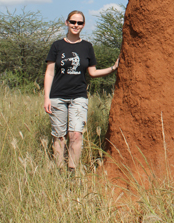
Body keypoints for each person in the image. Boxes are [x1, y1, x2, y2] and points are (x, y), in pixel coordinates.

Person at [43, 10, 119, 173]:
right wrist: (46, 98)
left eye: (79, 23)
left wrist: (113, 68)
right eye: (73, 22)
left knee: (76, 135)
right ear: (67, 22)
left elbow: (92, 72)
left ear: (83, 25)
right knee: (59, 136)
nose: (75, 25)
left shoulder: (87, 47)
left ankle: (71, 171)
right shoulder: (57, 45)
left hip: (79, 96)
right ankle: (59, 171)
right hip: (57, 96)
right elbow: (49, 72)